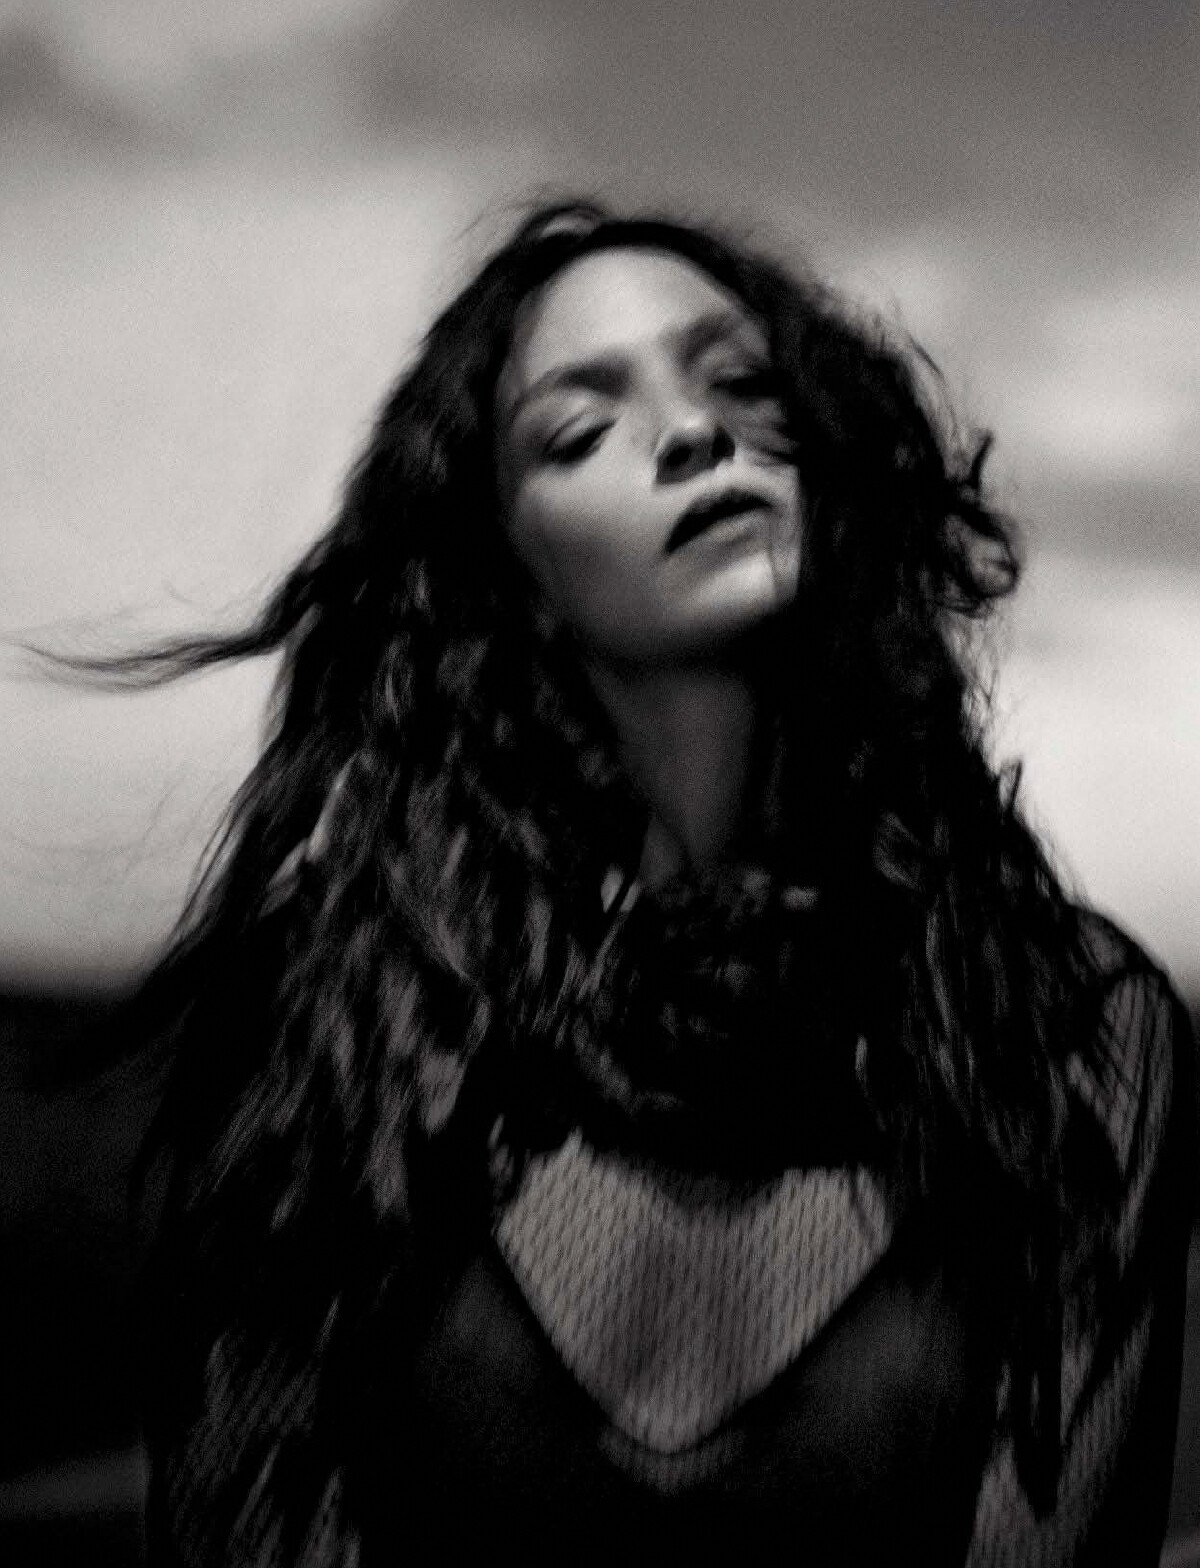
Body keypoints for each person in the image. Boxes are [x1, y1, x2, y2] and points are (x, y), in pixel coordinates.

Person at [113, 200, 1192, 1565]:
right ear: (512, 577)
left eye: (742, 384)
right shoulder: (331, 1026)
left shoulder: (1070, 1037)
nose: (693, 433)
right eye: (578, 431)